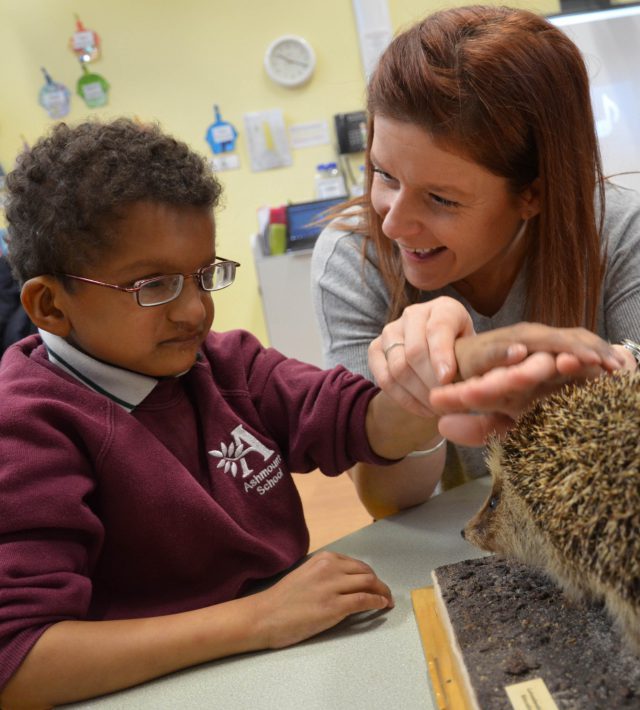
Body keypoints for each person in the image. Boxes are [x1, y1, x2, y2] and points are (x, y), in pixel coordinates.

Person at [0, 118, 595, 706]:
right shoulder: (28, 425)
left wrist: (446, 378)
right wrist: (256, 619)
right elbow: (20, 661)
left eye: (204, 276)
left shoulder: (225, 365)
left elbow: (360, 421)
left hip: (284, 655)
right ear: (50, 305)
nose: (195, 312)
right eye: (152, 286)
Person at [312, 4, 640, 514]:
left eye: (441, 199)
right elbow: (388, 499)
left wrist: (591, 372)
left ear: (533, 193)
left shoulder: (620, 233)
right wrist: (428, 381)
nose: (394, 224)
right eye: (385, 175)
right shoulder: (352, 260)